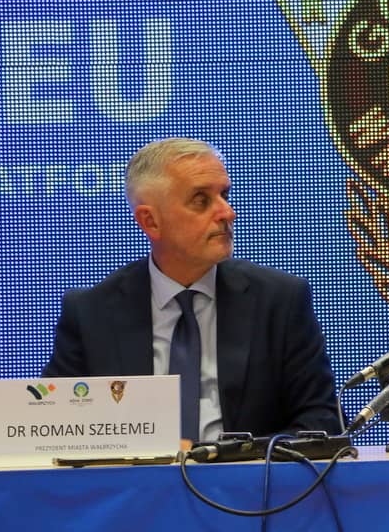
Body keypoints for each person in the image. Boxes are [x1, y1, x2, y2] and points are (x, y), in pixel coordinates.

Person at [43, 137, 339, 440]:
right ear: (150, 221)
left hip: (246, 470)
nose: (227, 212)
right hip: (139, 472)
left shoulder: (280, 301)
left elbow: (321, 423)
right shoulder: (91, 313)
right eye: (201, 200)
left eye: (224, 195)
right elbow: (53, 429)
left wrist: (236, 458)